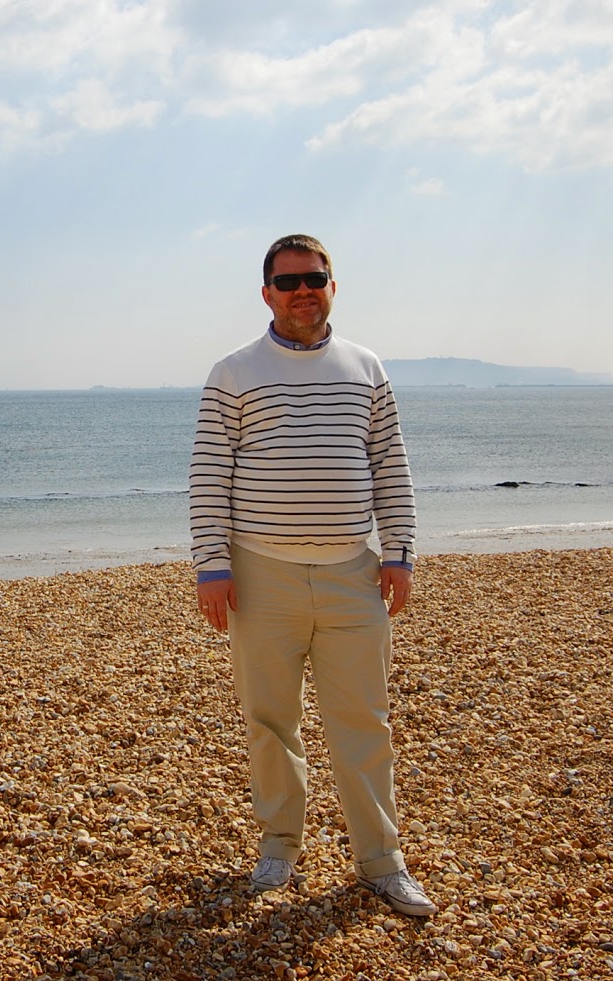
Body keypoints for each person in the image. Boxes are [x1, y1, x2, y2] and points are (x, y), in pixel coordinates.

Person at [188, 233, 436, 917]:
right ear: (266, 293)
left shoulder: (366, 367)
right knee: (270, 719)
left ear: (332, 286)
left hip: (353, 572)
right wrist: (212, 565)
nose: (303, 291)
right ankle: (279, 845)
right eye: (288, 281)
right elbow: (209, 474)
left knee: (365, 721)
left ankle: (381, 861)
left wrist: (400, 552)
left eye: (314, 279)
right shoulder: (234, 371)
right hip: (259, 573)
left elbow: (390, 465)